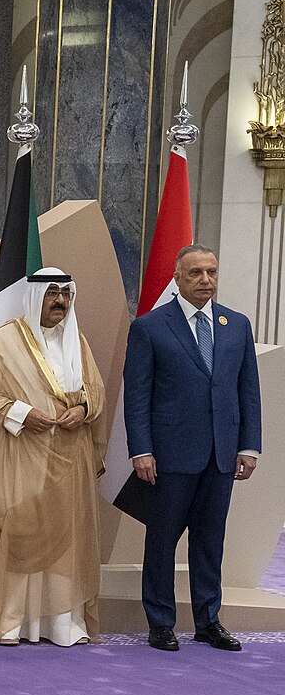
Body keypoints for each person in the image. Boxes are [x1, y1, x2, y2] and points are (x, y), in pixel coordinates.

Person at [124, 244, 260, 652]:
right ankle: (161, 622)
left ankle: (208, 620)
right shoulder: (150, 327)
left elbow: (247, 391)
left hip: (222, 454)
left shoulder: (236, 325)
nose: (206, 281)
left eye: (212, 273)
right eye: (196, 273)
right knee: (163, 540)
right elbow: (137, 396)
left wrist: (249, 446)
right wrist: (141, 449)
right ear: (178, 278)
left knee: (209, 541)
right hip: (169, 455)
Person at [0, 269, 105, 645]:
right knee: (22, 534)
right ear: (34, 297)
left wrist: (85, 409)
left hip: (68, 460)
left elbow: (95, 390)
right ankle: (12, 622)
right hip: (21, 457)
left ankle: (61, 624)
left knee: (65, 543)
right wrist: (23, 415)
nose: (60, 301)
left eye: (65, 294)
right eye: (52, 294)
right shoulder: (4, 339)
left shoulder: (77, 341)